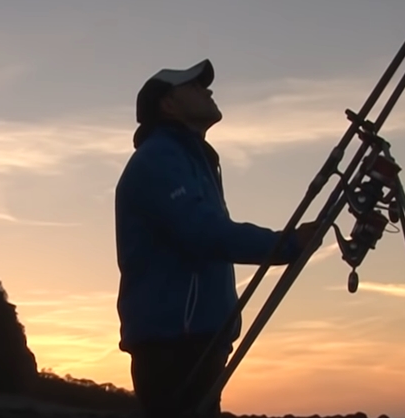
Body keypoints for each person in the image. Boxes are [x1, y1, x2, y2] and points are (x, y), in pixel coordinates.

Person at [114, 58, 320, 418]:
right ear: (168, 104)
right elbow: (203, 231)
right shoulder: (159, 159)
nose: (206, 90)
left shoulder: (193, 160)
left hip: (200, 339)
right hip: (173, 343)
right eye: (193, 86)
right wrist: (289, 244)